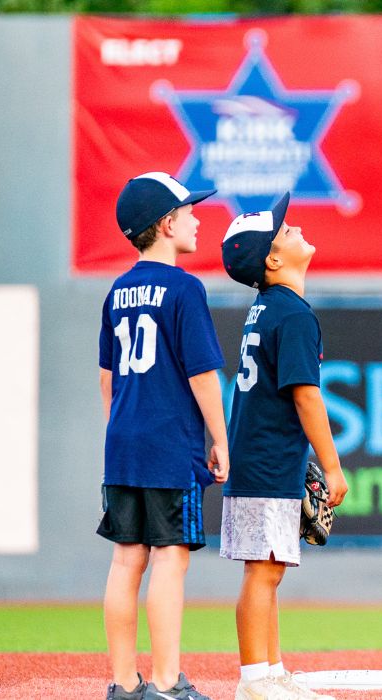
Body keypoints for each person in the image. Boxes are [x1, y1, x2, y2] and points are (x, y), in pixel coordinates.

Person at [98, 172, 230, 700]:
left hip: (124, 442)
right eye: (189, 211)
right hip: (170, 444)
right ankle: (168, 683)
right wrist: (219, 438)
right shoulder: (184, 288)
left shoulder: (118, 289)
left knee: (126, 557)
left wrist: (120, 430)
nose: (197, 218)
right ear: (166, 223)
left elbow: (107, 378)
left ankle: (124, 683)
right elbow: (202, 375)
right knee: (170, 556)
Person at [219, 193, 349, 700]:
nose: (292, 227)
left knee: (265, 569)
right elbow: (306, 396)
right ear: (273, 260)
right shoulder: (292, 314)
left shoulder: (266, 309)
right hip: (268, 460)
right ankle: (256, 680)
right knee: (264, 572)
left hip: (257, 456)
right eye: (283, 230)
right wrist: (333, 468)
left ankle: (271, 671)